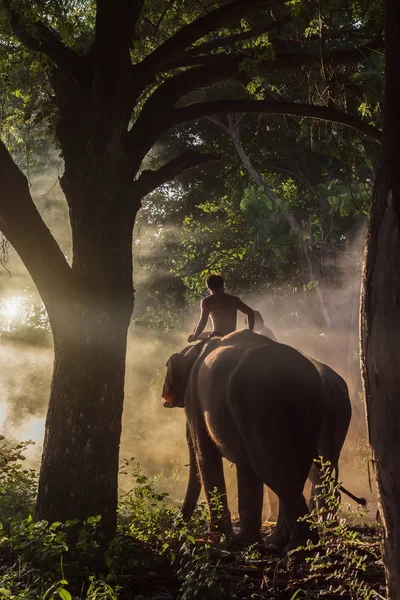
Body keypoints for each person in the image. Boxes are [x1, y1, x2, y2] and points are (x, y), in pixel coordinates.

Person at [188, 274, 255, 342]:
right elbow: (250, 312)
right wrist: (250, 332)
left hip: (217, 337)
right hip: (232, 337)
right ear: (222, 285)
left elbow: (203, 321)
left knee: (192, 352)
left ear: (208, 288)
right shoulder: (234, 300)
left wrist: (194, 337)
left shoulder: (207, 301)